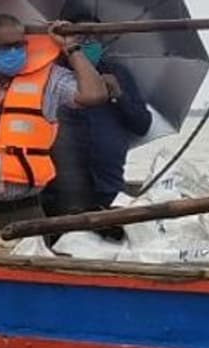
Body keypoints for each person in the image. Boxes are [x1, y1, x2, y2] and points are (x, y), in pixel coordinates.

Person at [0, 14, 109, 253]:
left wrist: (71, 48)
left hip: (23, 210)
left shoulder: (50, 78)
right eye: (4, 47)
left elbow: (95, 95)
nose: (13, 52)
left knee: (24, 275)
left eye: (18, 45)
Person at [42, 23, 153, 217]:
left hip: (108, 183)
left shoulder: (118, 73)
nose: (86, 44)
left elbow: (142, 125)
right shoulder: (55, 75)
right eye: (79, 39)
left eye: (92, 39)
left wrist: (119, 95)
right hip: (62, 187)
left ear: (102, 43)